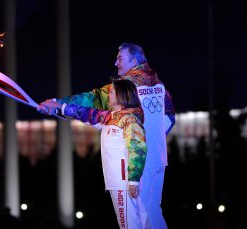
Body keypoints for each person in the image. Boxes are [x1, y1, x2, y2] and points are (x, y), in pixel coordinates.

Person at [38, 43, 175, 229]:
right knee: (152, 214)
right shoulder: (159, 85)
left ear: (134, 60)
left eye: (120, 58)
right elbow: (169, 119)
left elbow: (92, 100)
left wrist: (57, 103)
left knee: (136, 219)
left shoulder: (125, 87)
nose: (116, 62)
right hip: (157, 160)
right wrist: (150, 138)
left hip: (133, 163)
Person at [41, 79, 148, 228]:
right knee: (131, 223)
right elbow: (86, 113)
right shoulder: (112, 117)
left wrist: (133, 180)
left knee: (130, 224)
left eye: (112, 92)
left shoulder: (129, 120)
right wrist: (58, 106)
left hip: (124, 183)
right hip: (117, 182)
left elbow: (138, 148)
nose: (108, 95)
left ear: (122, 95)